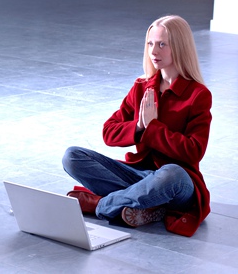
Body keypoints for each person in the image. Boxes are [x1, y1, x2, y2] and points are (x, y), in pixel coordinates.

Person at [62, 15, 212, 237]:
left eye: (162, 44)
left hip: (177, 183)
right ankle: (146, 204)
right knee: (72, 156)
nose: (154, 51)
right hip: (140, 175)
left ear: (179, 47)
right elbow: (109, 132)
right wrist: (140, 127)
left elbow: (194, 151)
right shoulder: (143, 87)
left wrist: (153, 128)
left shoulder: (198, 94)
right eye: (150, 43)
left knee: (171, 173)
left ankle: (100, 205)